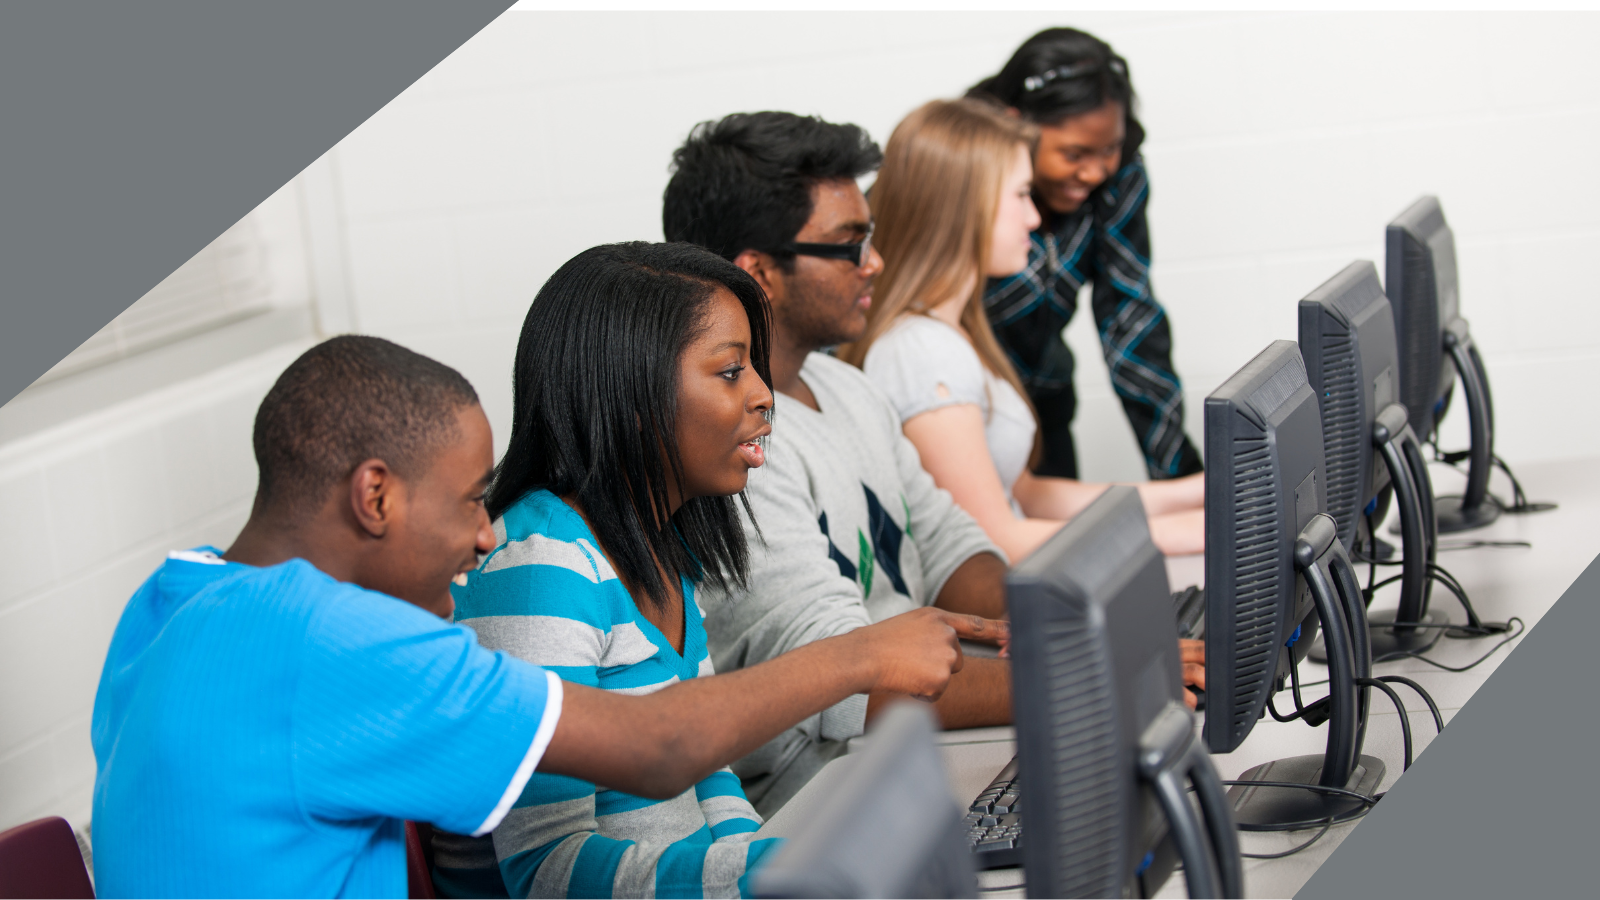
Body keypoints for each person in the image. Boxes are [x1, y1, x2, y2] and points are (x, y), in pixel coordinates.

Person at [89, 335, 998, 898]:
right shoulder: (327, 639)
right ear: (375, 495)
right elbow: (653, 746)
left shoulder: (175, 601)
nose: (485, 536)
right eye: (471, 501)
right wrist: (860, 658)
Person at [663, 111, 1204, 816]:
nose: (874, 264)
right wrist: (1086, 671)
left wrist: (1060, 637)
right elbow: (845, 683)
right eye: (848, 246)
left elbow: (953, 545)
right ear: (758, 272)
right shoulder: (732, 449)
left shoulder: (846, 389)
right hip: (834, 795)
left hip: (917, 737)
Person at [431, 243, 987, 898]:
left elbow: (711, 782)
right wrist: (766, 872)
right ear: (631, 393)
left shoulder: (665, 547)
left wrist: (774, 860)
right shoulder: (539, 567)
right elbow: (547, 871)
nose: (763, 395)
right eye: (730, 372)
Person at [839, 98, 1204, 561]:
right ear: (964, 206)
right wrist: (1189, 534)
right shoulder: (921, 352)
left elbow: (1026, 495)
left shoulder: (955, 332)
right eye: (1021, 195)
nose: (1034, 217)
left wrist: (1194, 495)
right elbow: (996, 540)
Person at [970, 27, 1203, 483]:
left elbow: (1130, 317)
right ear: (1015, 125)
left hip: (1045, 406)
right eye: (1074, 153)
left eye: (1109, 149)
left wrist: (1182, 476)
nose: (1095, 171)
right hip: (955, 413)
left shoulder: (1119, 177)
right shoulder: (955, 171)